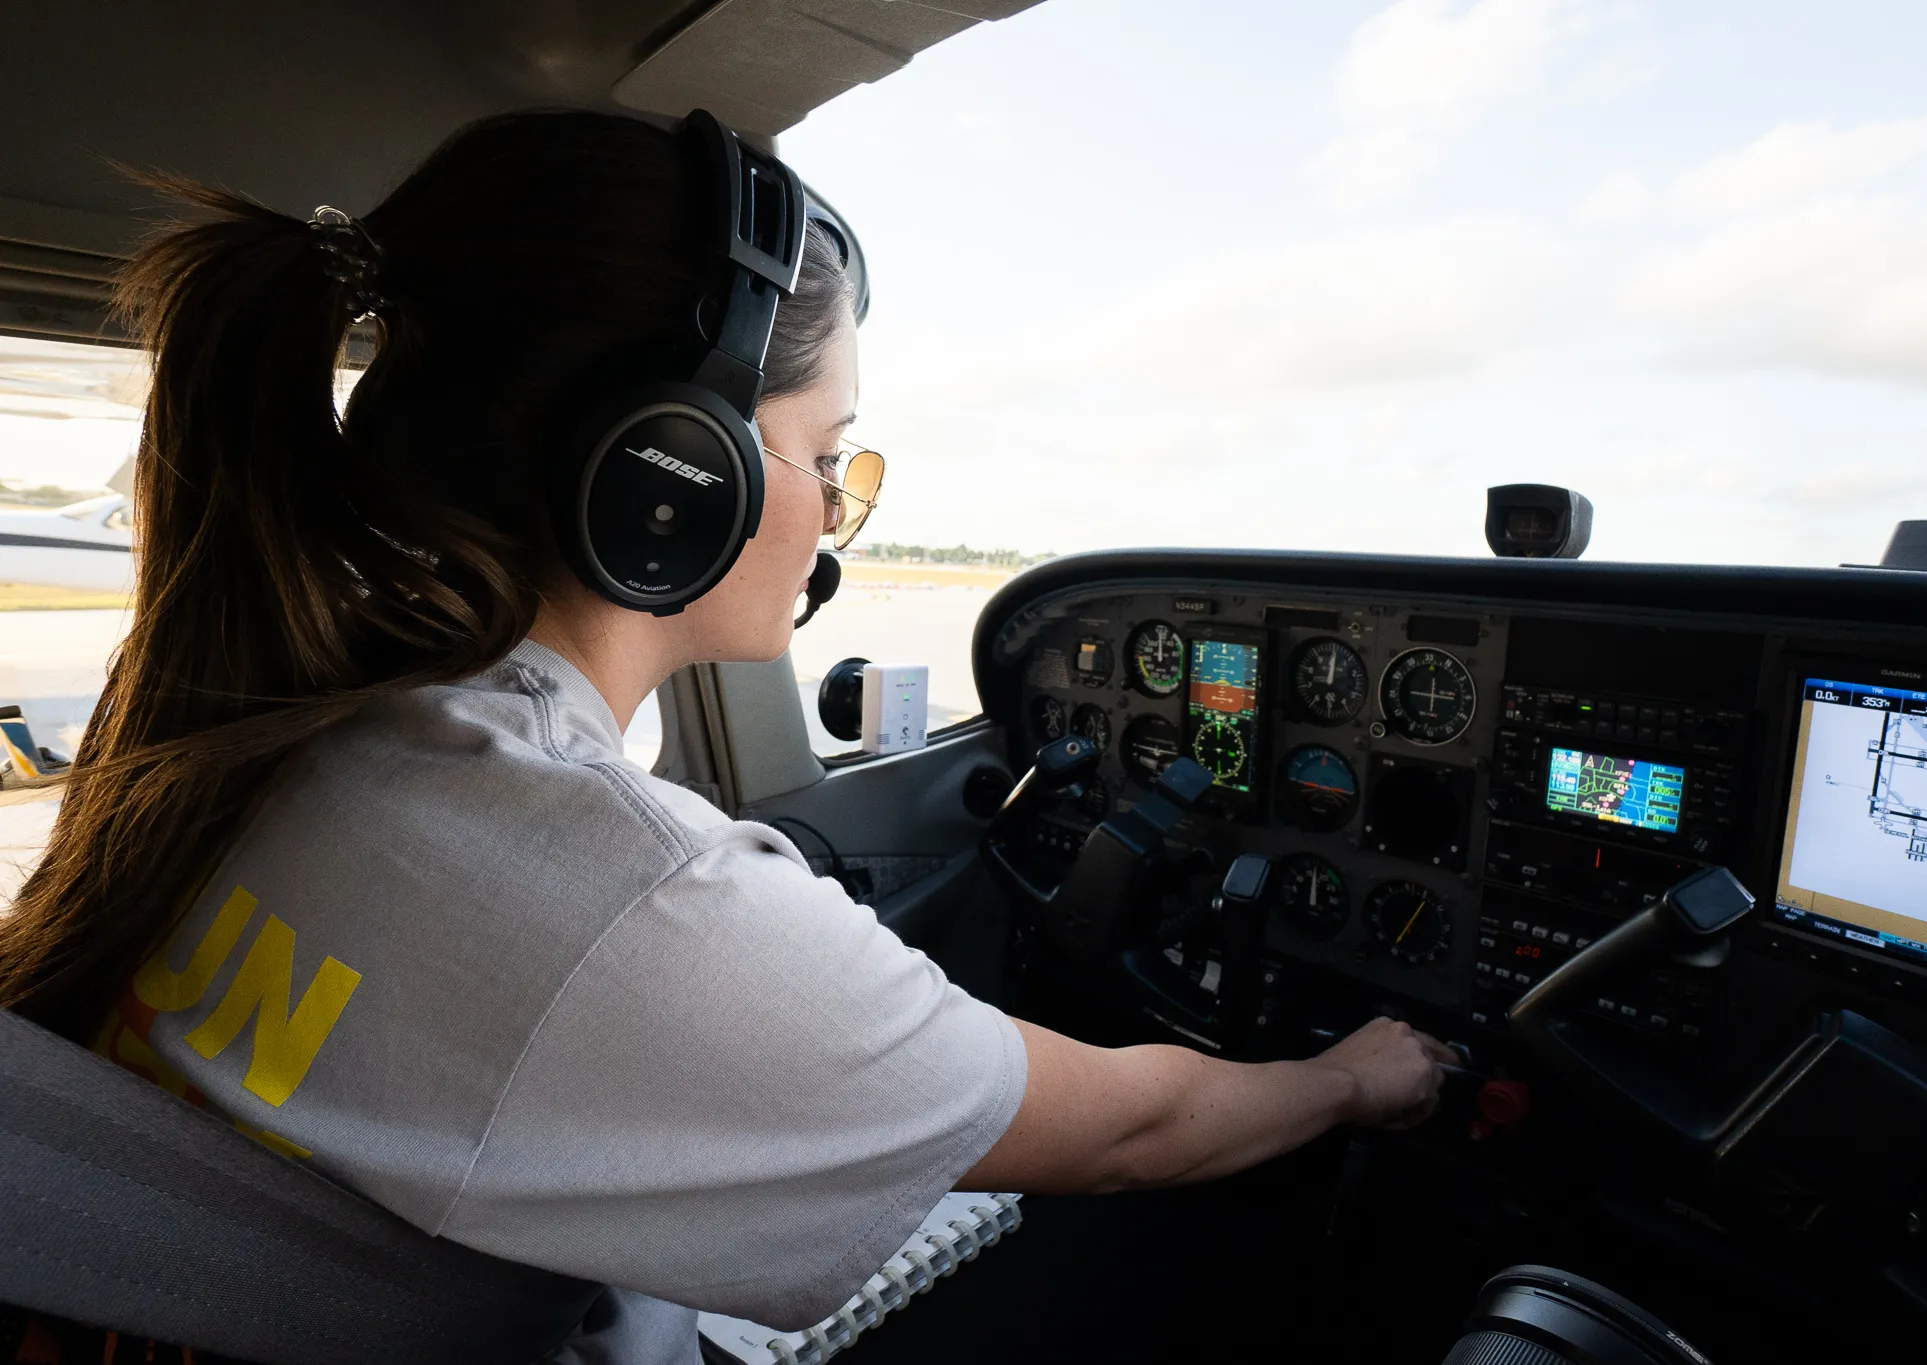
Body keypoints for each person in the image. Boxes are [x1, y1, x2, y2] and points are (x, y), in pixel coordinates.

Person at [0, 110, 1454, 1362]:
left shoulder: (299, 725)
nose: (835, 505)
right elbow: (1134, 1135)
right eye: (827, 455)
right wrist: (1354, 1080)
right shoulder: (618, 897)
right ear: (668, 477)